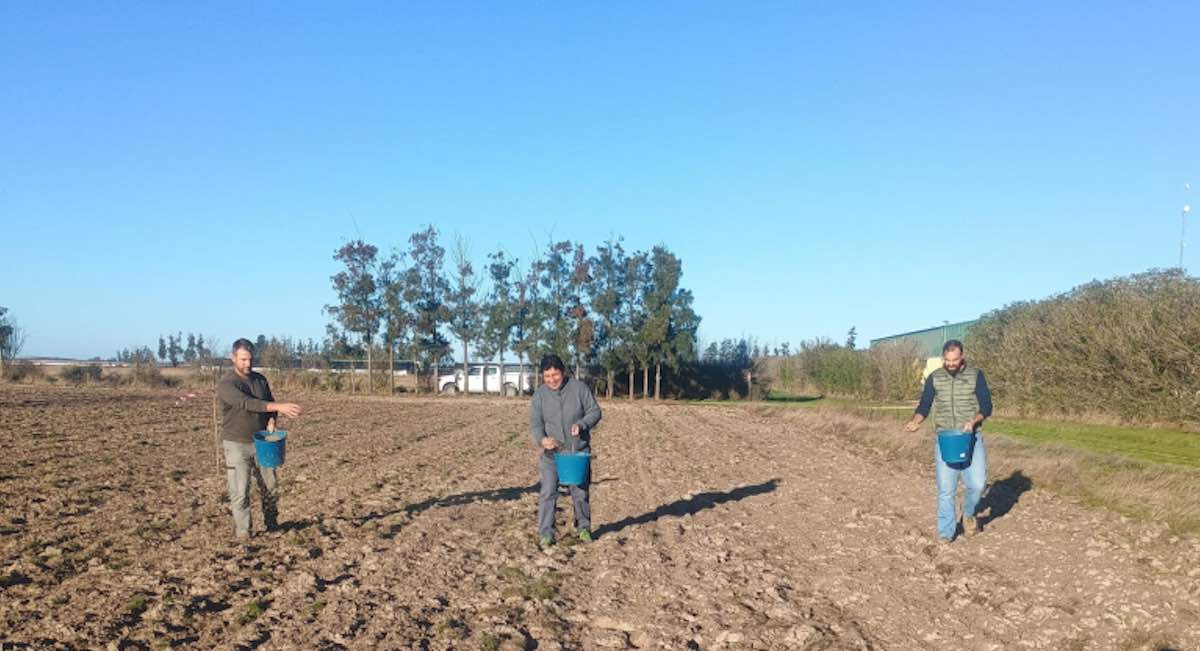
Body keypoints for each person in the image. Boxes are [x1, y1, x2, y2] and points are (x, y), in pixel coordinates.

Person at [904, 339, 993, 543]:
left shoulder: (976, 375)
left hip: (971, 437)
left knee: (978, 485)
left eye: (955, 360)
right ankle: (946, 533)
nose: (951, 364)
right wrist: (916, 421)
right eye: (947, 360)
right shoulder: (935, 378)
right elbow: (924, 404)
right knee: (946, 490)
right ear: (943, 358)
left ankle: (968, 514)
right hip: (945, 438)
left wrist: (974, 420)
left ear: (962, 357)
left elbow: (987, 406)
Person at [216, 338, 302, 539]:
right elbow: (248, 403)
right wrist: (278, 407)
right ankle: (244, 533)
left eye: (250, 359)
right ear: (233, 358)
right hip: (236, 444)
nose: (248, 364)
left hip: (263, 442)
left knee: (270, 486)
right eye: (243, 359)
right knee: (240, 490)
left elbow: (268, 403)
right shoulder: (227, 384)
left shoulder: (260, 380)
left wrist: (272, 419)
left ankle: (272, 524)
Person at [529, 354, 602, 547]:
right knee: (548, 492)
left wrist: (582, 424)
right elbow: (536, 424)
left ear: (563, 372)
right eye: (547, 376)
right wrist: (542, 439)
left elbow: (595, 411)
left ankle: (584, 528)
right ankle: (546, 533)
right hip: (552, 455)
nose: (552, 380)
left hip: (577, 453)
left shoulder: (579, 388)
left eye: (555, 375)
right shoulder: (540, 395)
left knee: (580, 491)